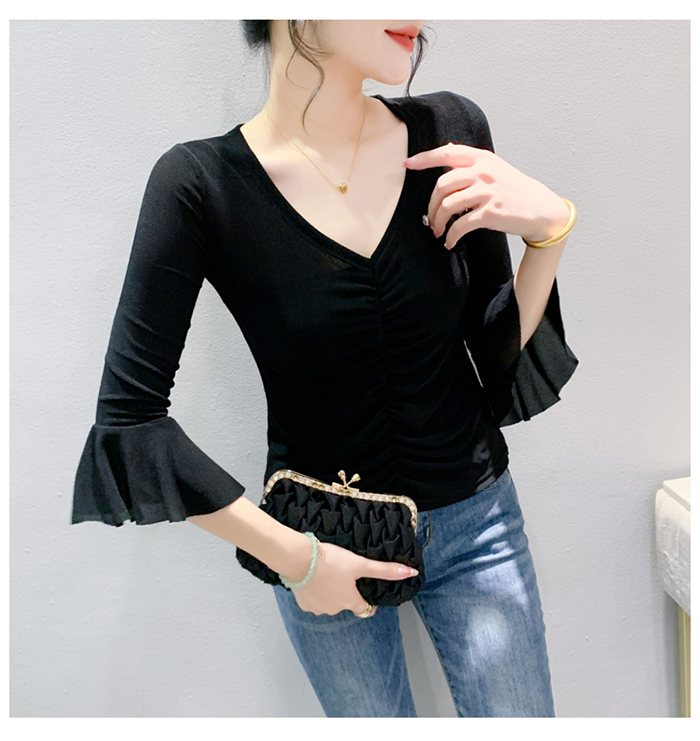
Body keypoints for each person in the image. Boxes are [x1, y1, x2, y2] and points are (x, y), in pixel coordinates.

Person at [72, 20, 579, 717]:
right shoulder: (200, 184)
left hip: (479, 527)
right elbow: (129, 423)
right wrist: (297, 560)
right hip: (317, 540)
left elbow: (496, 358)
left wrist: (549, 235)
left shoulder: (448, 133)